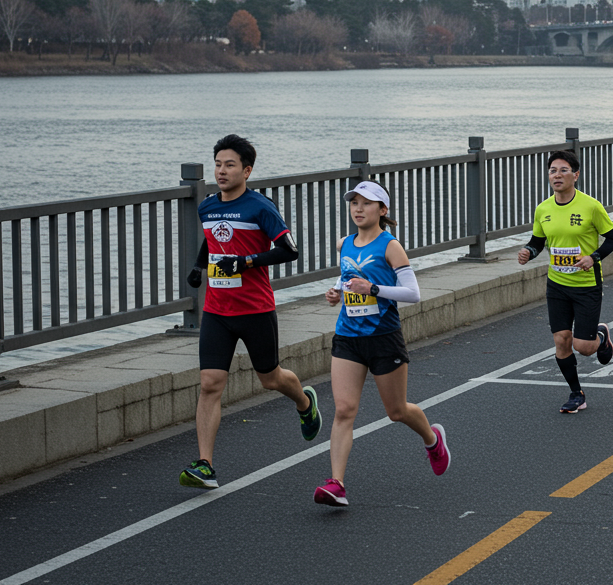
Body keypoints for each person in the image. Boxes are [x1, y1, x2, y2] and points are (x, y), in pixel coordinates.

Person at [180, 134, 316, 490]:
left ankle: (304, 403)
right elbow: (212, 240)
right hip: (217, 311)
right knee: (210, 383)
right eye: (218, 164)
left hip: (255, 309)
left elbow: (289, 250)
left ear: (247, 170)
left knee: (270, 379)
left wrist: (245, 262)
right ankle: (205, 465)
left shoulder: (260, 207)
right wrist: (199, 267)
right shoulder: (208, 206)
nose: (221, 171)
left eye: (230, 165)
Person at [316, 181, 449, 507]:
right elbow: (348, 275)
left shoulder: (391, 246)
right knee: (344, 410)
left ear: (382, 210)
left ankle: (432, 440)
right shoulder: (345, 243)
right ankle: (336, 484)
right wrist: (336, 292)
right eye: (354, 203)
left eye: (367, 203)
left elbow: (413, 294)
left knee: (396, 411)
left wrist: (373, 289)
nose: (358, 209)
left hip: (383, 338)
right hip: (348, 336)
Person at [518, 150, 613, 414]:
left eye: (563, 170)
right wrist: (529, 252)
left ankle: (600, 335)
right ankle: (576, 393)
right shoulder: (543, 208)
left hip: (586, 284)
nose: (557, 175)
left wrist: (593, 257)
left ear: (576, 175)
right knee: (562, 340)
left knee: (583, 347)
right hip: (557, 284)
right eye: (553, 170)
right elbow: (538, 241)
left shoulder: (591, 206)